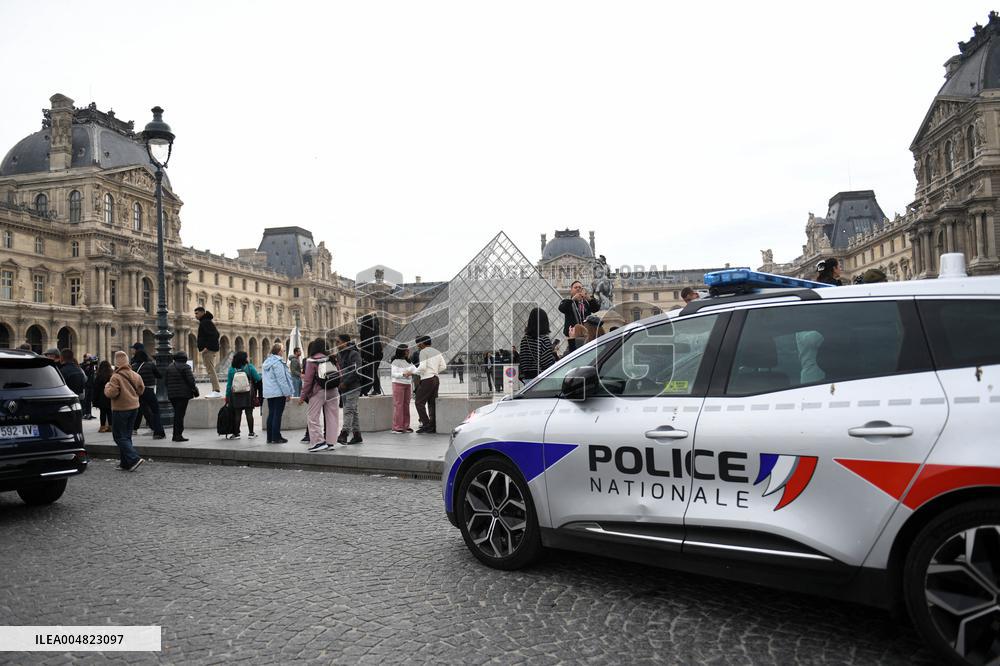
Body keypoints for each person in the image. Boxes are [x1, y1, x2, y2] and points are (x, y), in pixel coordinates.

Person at [104, 351, 145, 472]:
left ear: (116, 363)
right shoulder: (135, 374)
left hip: (120, 409)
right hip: (134, 408)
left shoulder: (115, 377)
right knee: (126, 436)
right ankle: (125, 463)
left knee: (118, 437)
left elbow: (112, 393)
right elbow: (141, 390)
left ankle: (134, 458)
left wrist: (107, 387)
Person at [300, 338, 339, 452]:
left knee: (312, 417)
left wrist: (303, 397)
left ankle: (318, 442)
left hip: (319, 391)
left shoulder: (312, 360)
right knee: (332, 416)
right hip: (333, 390)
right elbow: (340, 374)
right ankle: (330, 442)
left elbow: (308, 381)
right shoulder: (332, 359)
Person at [333, 334, 364, 444]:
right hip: (344, 387)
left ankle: (344, 434)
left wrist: (345, 382)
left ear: (345, 342)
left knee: (348, 410)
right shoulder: (340, 355)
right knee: (353, 411)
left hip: (353, 386)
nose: (336, 344)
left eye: (338, 342)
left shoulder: (354, 354)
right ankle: (357, 435)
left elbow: (357, 370)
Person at [262, 343, 295, 444]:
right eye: (283, 350)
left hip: (269, 393)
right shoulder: (278, 363)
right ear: (279, 351)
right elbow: (282, 380)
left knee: (271, 414)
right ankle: (276, 437)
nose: (283, 352)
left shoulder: (267, 362)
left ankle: (270, 437)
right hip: (278, 393)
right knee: (277, 415)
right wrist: (287, 393)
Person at [131, 344, 166, 439]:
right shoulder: (150, 365)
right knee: (155, 411)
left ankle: (133, 429)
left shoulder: (133, 366)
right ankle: (158, 432)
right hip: (149, 390)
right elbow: (159, 375)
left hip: (138, 392)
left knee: (138, 410)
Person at [412, 335, 446, 434]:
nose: (418, 345)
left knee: (419, 402)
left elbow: (422, 367)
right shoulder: (437, 352)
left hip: (427, 379)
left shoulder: (423, 352)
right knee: (432, 403)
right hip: (436, 379)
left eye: (419, 343)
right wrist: (434, 371)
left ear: (422, 343)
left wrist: (413, 372)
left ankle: (426, 424)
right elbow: (443, 366)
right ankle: (432, 425)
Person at [225, 350, 261, 439]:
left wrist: (227, 396)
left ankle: (236, 434)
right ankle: (251, 433)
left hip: (235, 394)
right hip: (248, 394)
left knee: (237, 414)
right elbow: (258, 378)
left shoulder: (232, 369)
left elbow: (229, 384)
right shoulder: (249, 367)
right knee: (249, 413)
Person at [558, 281, 601, 353]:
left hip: (587, 335)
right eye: (575, 287)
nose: (578, 289)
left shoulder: (587, 302)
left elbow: (596, 308)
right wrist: (573, 299)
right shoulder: (568, 301)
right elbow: (562, 308)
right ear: (571, 290)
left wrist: (589, 298)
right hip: (573, 336)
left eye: (580, 287)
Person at [165, 350, 198, 442]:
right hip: (183, 395)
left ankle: (176, 434)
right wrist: (194, 389)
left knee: (177, 414)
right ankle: (177, 435)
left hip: (172, 395)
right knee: (180, 415)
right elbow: (191, 381)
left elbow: (166, 382)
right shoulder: (186, 367)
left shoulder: (169, 367)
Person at [518, 308, 558, 383]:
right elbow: (547, 363)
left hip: (527, 379)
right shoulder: (544, 339)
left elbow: (522, 361)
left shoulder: (524, 339)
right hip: (541, 380)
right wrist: (553, 354)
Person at [194, 306, 222, 396]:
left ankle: (216, 390)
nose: (195, 315)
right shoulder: (206, 322)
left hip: (209, 350)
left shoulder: (205, 322)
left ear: (202, 313)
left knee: (210, 370)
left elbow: (215, 334)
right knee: (210, 369)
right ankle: (215, 389)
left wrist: (207, 347)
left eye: (197, 313)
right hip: (209, 349)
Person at [390, 345, 416, 433]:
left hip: (408, 385)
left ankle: (405, 426)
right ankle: (397, 427)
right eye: (406, 350)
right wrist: (403, 374)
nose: (408, 352)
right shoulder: (396, 361)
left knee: (406, 405)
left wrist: (412, 372)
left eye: (408, 350)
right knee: (398, 406)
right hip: (398, 384)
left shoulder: (409, 361)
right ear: (402, 351)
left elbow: (415, 370)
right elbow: (393, 374)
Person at [93, 360, 113, 433]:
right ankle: (111, 426)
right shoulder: (111, 375)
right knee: (110, 412)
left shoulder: (99, 376)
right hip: (109, 396)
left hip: (101, 397)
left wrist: (95, 399)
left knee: (103, 413)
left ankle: (102, 427)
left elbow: (96, 388)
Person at [80, 354, 97, 419]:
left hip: (91, 385)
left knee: (89, 400)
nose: (90, 358)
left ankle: (89, 413)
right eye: (89, 357)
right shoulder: (82, 365)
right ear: (85, 358)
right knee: (85, 400)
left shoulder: (92, 365)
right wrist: (87, 365)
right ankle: (84, 414)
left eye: (90, 357)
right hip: (86, 385)